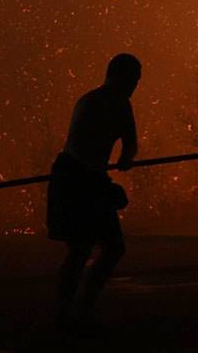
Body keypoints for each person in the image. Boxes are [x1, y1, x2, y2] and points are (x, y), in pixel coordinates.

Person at [48, 52, 141, 331]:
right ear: (117, 76)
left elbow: (130, 142)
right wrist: (107, 186)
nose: (135, 85)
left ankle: (79, 311)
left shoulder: (122, 105)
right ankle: (67, 315)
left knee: (108, 248)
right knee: (81, 249)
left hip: (90, 178)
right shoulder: (93, 104)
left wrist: (127, 157)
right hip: (74, 178)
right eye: (133, 79)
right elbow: (81, 154)